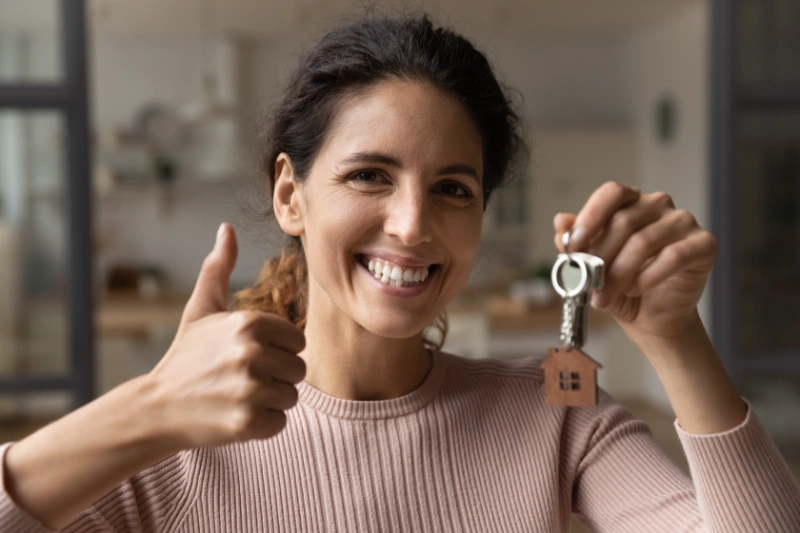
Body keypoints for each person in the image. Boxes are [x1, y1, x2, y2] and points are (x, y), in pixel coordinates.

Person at [2, 14, 800, 533]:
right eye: (370, 176)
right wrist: (146, 408)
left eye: (453, 188)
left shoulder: (558, 410)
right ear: (291, 193)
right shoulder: (171, 443)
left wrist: (674, 335)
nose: (413, 224)